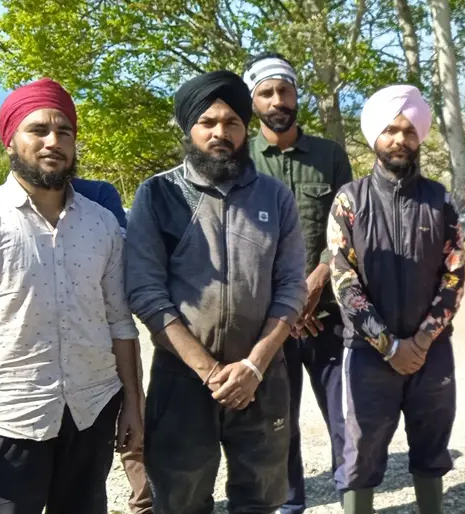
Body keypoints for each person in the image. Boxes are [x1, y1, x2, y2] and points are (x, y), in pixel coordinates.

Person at [0, 78, 143, 512]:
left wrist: (133, 405)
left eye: (64, 131)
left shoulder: (103, 224)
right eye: (38, 130)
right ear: (10, 142)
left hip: (91, 411)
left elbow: (120, 323)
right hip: (7, 420)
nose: (53, 141)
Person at [126, 70, 307, 513]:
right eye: (208, 122)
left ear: (246, 128)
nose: (220, 133)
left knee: (261, 498)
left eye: (232, 123)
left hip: (262, 377)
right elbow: (146, 292)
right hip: (183, 378)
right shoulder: (158, 195)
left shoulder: (275, 198)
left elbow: (290, 288)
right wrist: (209, 371)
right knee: (180, 498)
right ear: (189, 127)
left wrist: (253, 366)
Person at [327, 84, 465, 514]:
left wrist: (421, 342)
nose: (400, 139)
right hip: (368, 353)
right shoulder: (349, 200)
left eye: (408, 130)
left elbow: (455, 275)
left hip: (432, 352)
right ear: (375, 136)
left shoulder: (440, 201)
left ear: (419, 135)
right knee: (361, 453)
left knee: (432, 447)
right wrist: (389, 345)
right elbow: (343, 280)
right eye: (390, 130)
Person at [242, 51, 354, 514]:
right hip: (270, 323)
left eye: (283, 90)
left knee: (345, 418)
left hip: (327, 314)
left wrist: (320, 276)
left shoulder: (329, 155)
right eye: (266, 93)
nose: (277, 100)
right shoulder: (241, 157)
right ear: (254, 101)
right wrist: (286, 304)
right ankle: (290, 504)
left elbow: (350, 227)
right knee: (278, 421)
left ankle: (353, 496)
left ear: (295, 93)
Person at [71, 177, 154, 514]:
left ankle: (144, 501)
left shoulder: (98, 194)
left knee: (132, 416)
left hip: (110, 332)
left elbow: (121, 258)